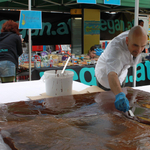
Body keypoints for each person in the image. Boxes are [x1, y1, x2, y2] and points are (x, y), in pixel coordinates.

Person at [95, 25, 147, 113]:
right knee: (106, 106)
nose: (139, 50)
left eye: (142, 46)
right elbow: (112, 74)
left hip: (122, 72)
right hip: (105, 76)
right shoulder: (116, 49)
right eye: (135, 45)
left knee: (121, 107)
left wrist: (120, 93)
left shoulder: (136, 38)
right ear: (127, 40)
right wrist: (119, 95)